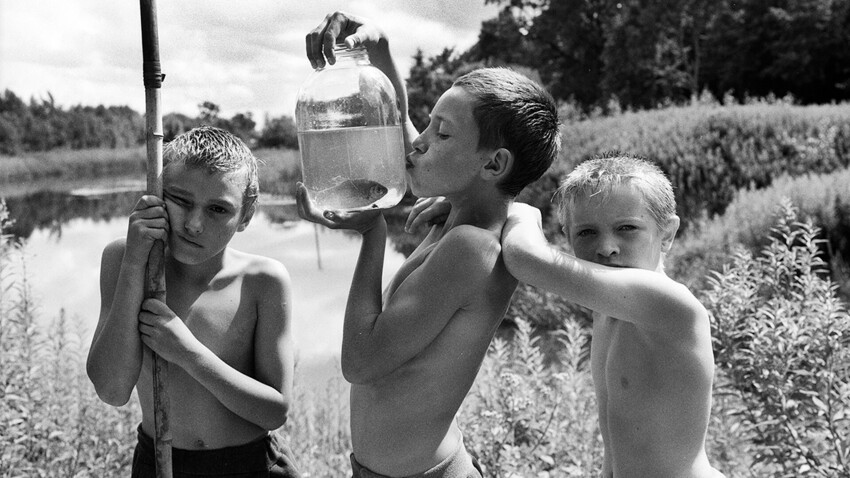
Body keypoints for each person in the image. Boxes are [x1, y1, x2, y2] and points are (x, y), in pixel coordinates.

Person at [298, 12, 561, 478]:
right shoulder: (460, 218)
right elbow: (400, 127)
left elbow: (360, 362)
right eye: (428, 124)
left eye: (441, 133)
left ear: (494, 164)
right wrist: (376, 46)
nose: (417, 142)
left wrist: (373, 235)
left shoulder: (471, 247)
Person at [86, 125, 300, 478]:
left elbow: (274, 411)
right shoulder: (123, 259)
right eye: (181, 201)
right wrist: (136, 263)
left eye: (218, 209)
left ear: (245, 217)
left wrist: (188, 353)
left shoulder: (263, 281)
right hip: (161, 463)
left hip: (252, 466)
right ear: (156, 194)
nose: (194, 224)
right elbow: (111, 390)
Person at [500, 153, 724, 477]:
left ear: (668, 234)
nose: (606, 247)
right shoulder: (608, 312)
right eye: (587, 233)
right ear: (567, 237)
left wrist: (519, 210)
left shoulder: (667, 304)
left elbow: (525, 259)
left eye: (627, 228)